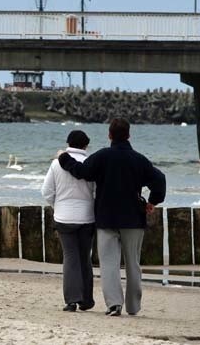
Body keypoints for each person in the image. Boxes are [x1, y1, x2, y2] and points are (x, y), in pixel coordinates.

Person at [58, 118, 166, 317]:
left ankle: (114, 304)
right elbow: (159, 179)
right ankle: (133, 306)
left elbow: (82, 172)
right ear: (129, 135)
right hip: (133, 218)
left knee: (109, 264)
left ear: (109, 135)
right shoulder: (139, 159)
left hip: (106, 218)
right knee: (133, 263)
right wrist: (153, 201)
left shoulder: (102, 157)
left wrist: (64, 159)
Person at [41, 130, 95, 313]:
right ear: (85, 145)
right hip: (87, 217)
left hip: (64, 217)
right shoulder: (90, 164)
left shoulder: (56, 164)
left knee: (70, 257)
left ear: (68, 143)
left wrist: (57, 206)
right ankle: (86, 300)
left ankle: (72, 300)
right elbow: (96, 190)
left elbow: (46, 191)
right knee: (84, 257)